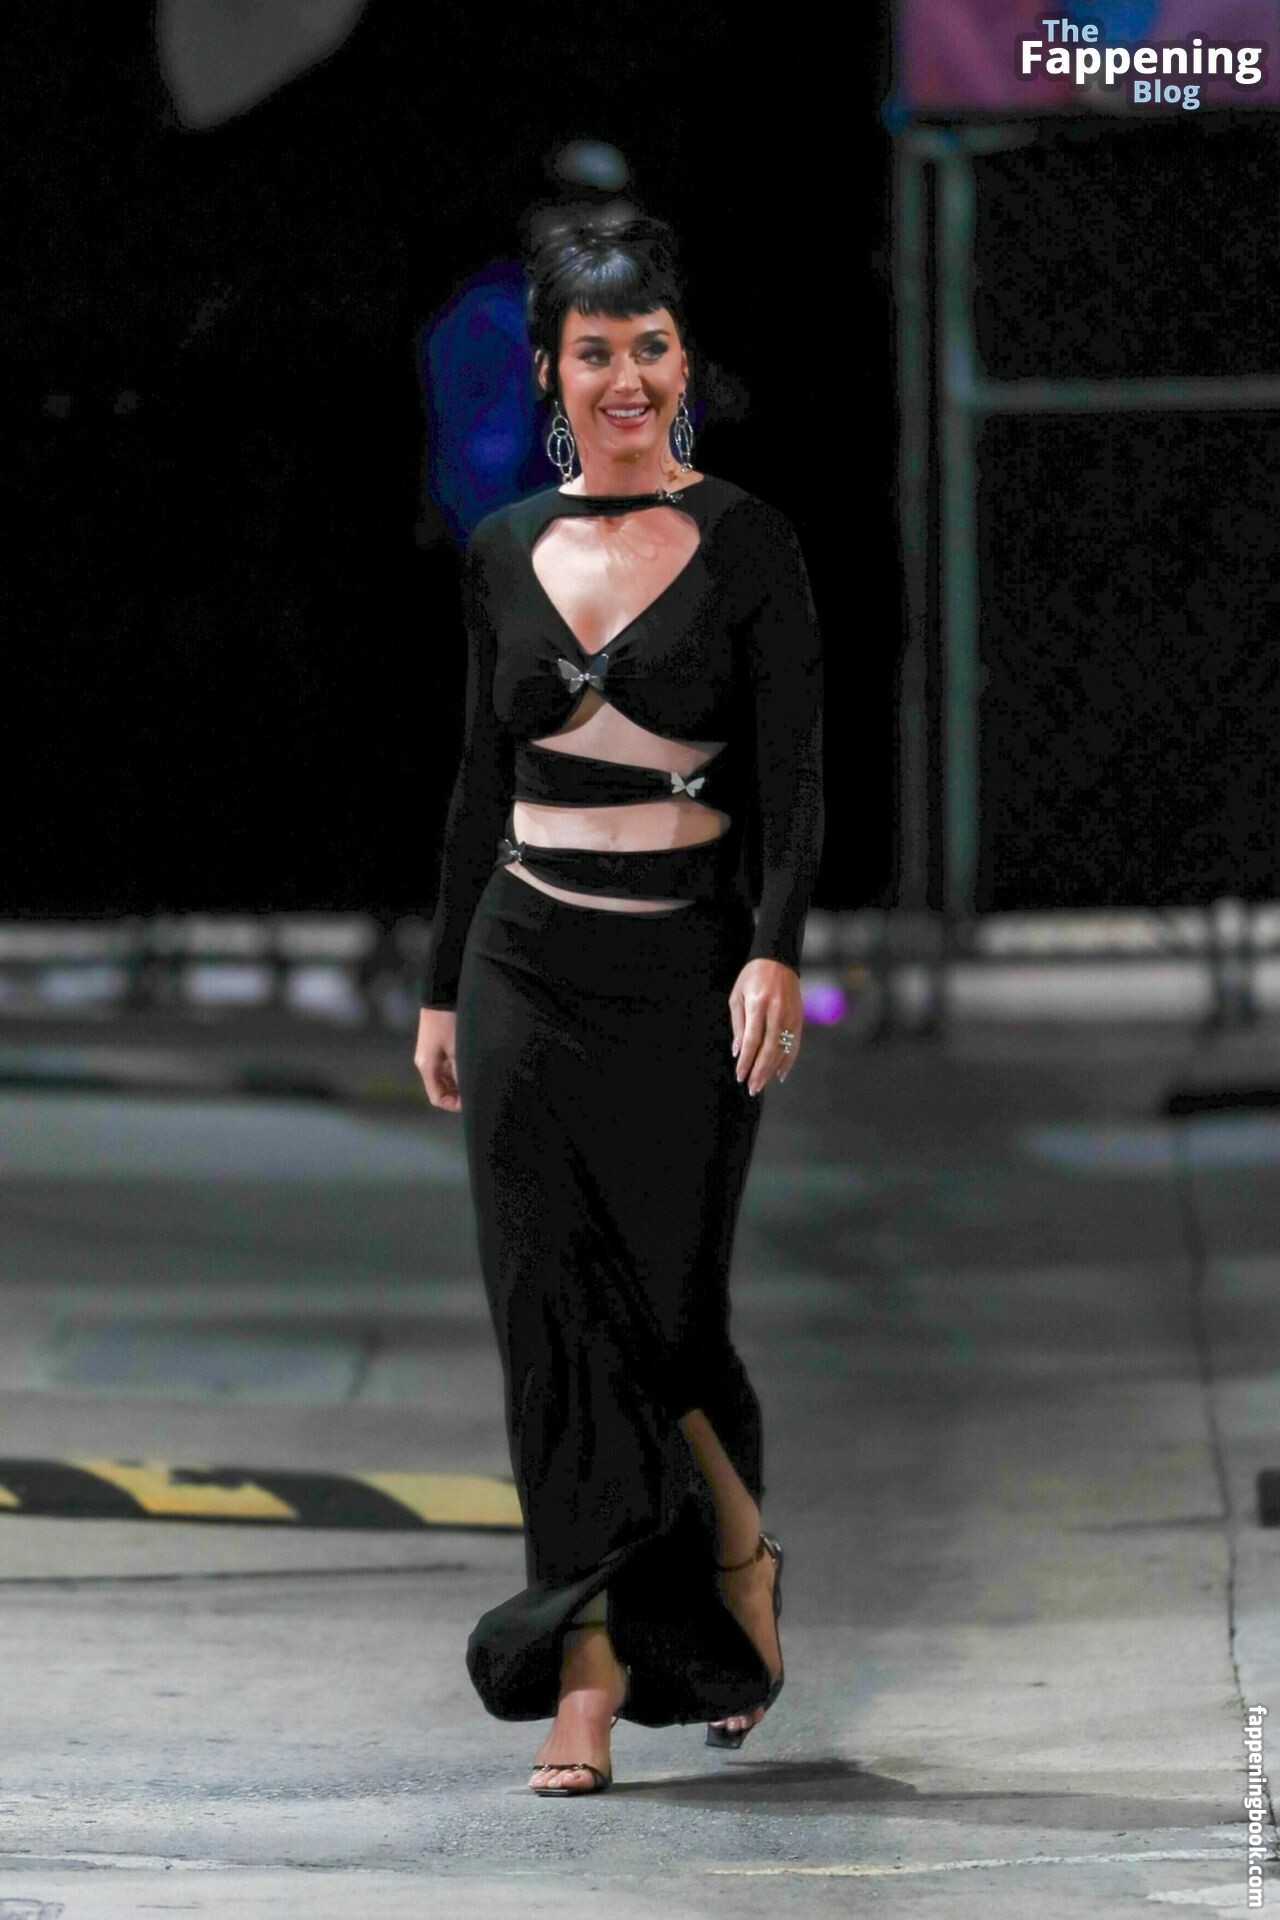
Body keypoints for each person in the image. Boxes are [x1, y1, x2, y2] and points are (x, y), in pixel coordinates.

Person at [414, 211, 824, 1797]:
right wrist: (442, 987)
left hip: (685, 977)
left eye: (652, 345)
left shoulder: (751, 543)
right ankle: (583, 1680)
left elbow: (795, 782)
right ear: (550, 373)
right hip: (523, 966)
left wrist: (774, 951)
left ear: (683, 363)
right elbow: (479, 783)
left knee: (667, 1319)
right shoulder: (503, 548)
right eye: (598, 351)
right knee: (549, 1322)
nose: (629, 376)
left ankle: (735, 1564)